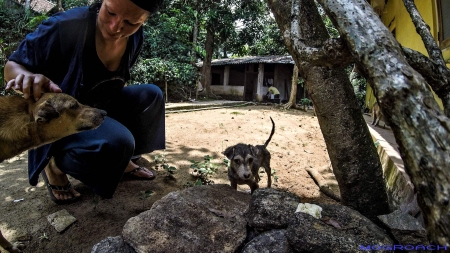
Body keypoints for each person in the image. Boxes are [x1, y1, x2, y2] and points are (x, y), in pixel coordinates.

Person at [3, 0, 165, 204]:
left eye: (131, 22)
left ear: (144, 21)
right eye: (111, 12)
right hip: (66, 118)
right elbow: (11, 67)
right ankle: (54, 165)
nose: (116, 28)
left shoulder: (135, 37)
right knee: (119, 142)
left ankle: (122, 162)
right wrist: (26, 77)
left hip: (99, 104)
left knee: (151, 95)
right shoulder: (64, 26)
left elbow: (117, 81)